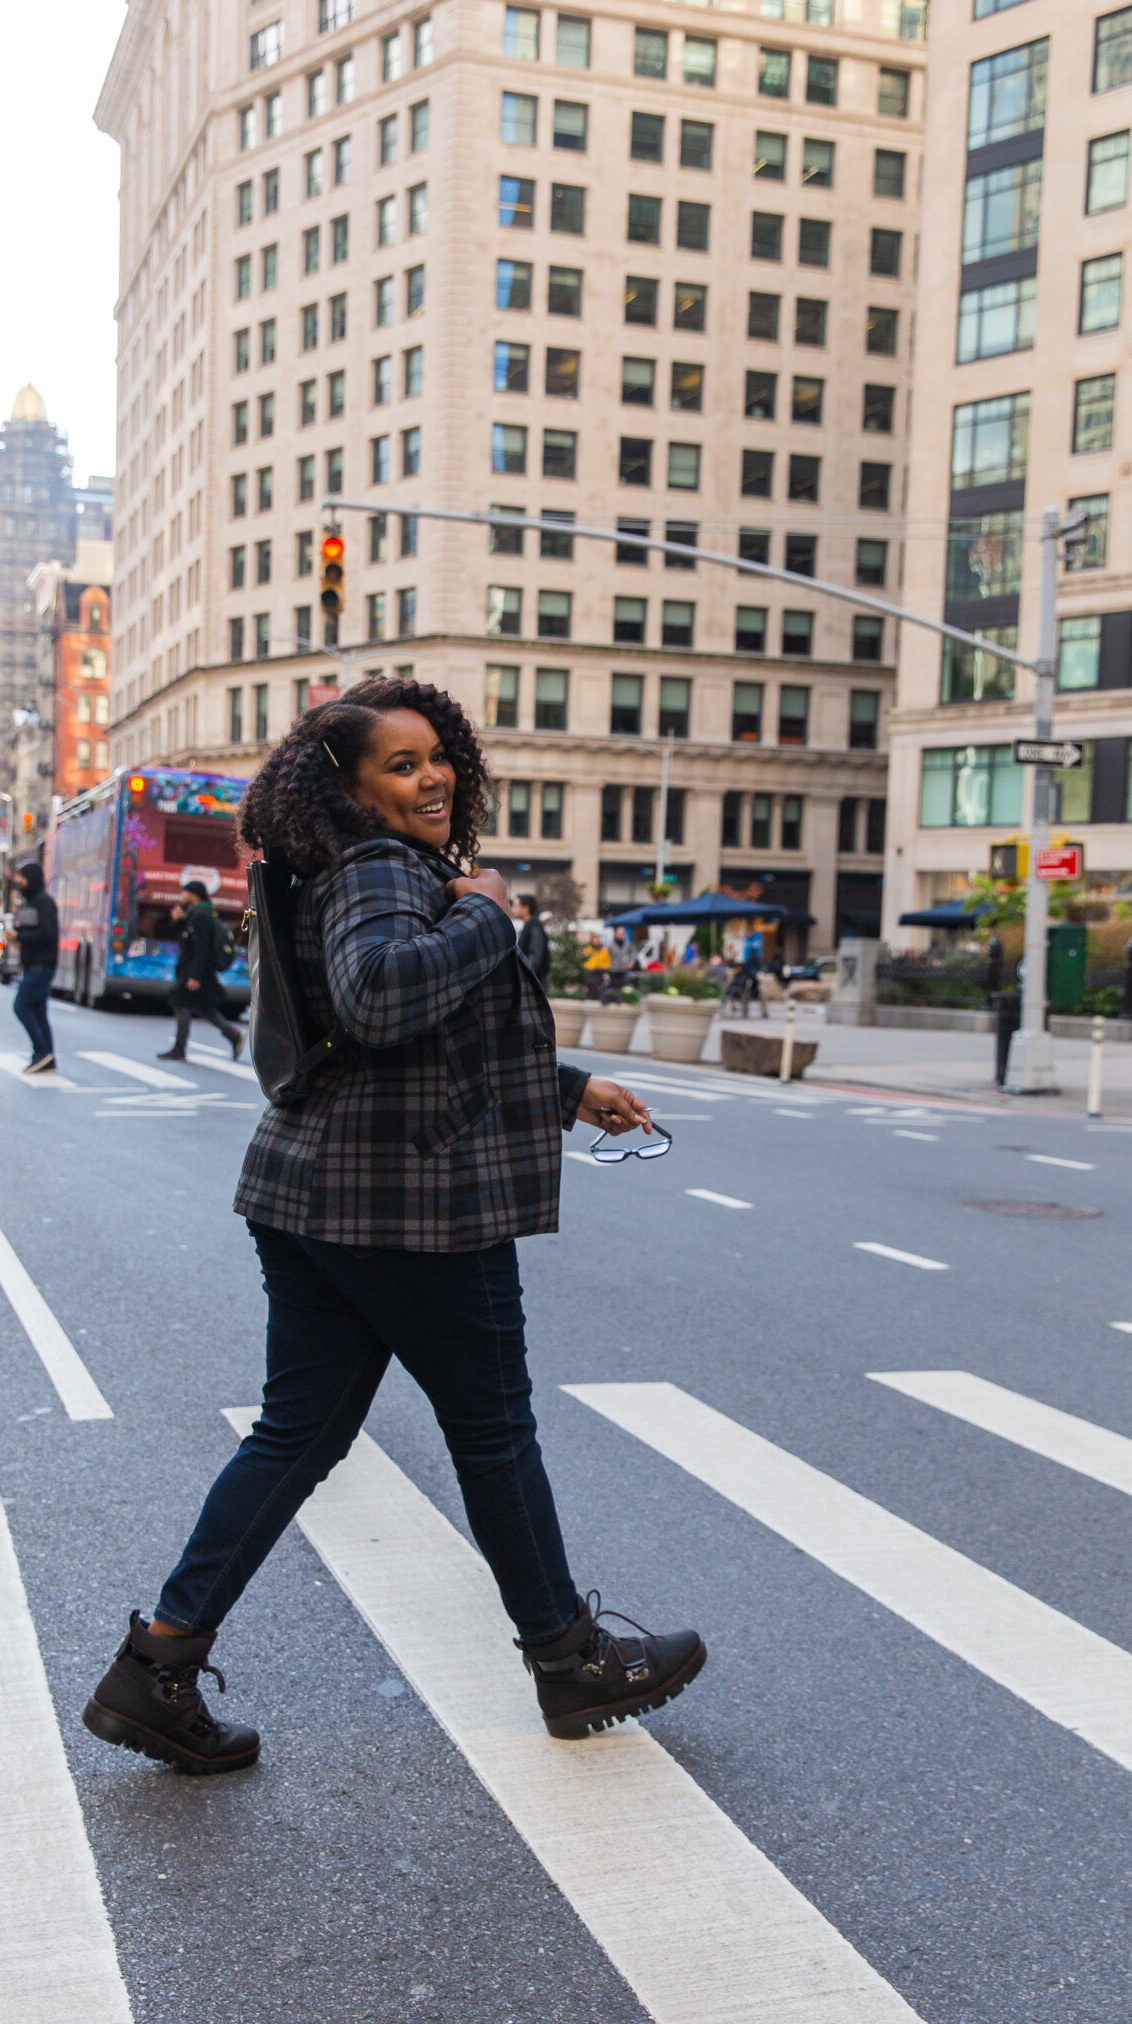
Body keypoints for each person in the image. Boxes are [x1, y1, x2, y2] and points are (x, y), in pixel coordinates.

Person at [84, 678, 705, 1773]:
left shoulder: (346, 867)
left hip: (316, 1191)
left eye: (437, 757)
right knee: (494, 1430)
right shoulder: (382, 867)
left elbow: (406, 1039)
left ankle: (157, 1667)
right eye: (401, 765)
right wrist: (487, 912)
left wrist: (565, 1089)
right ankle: (569, 1659)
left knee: (300, 1435)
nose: (432, 778)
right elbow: (379, 998)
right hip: (409, 1207)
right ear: (350, 791)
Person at [159, 879, 246, 1063]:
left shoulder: (201, 916)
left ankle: (179, 1048)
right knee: (202, 1006)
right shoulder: (193, 914)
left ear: (194, 895)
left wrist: (195, 975)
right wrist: (177, 922)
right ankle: (232, 1034)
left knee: (180, 1001)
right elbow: (181, 938)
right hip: (193, 968)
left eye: (185, 893)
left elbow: (202, 948)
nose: (182, 896)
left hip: (196, 969)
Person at [11, 861, 58, 1074]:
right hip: (32, 964)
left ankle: (41, 1052)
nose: (19, 881)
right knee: (38, 1011)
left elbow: (48, 933)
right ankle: (46, 1057)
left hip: (41, 965)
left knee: (21, 1006)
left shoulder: (44, 903)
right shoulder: (28, 903)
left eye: (23, 877)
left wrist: (20, 936)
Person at [511, 893, 549, 989]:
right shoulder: (529, 926)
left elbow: (535, 957)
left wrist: (520, 974)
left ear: (525, 909)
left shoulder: (534, 927)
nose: (512, 909)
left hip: (534, 982)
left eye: (515, 905)